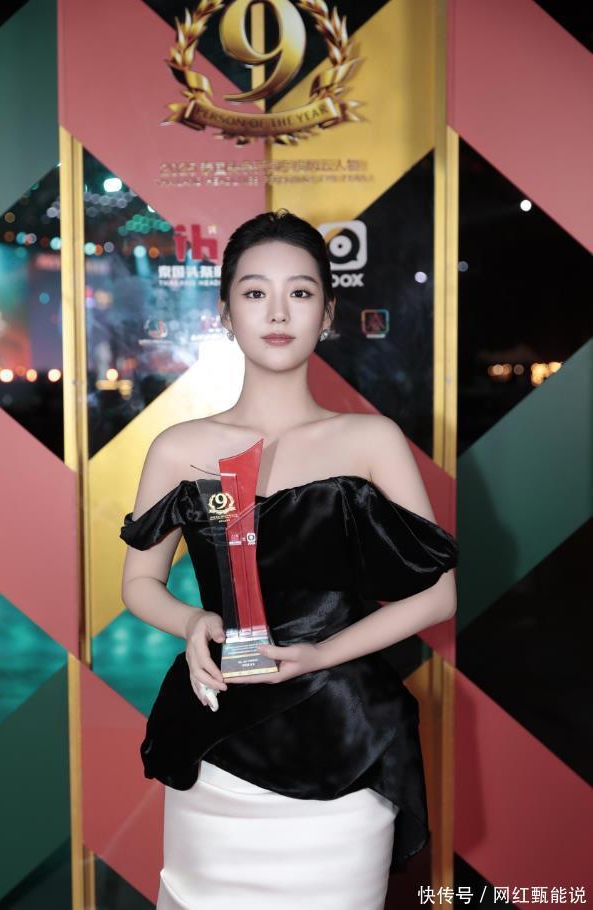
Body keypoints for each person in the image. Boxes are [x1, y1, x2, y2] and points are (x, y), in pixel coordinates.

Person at [120, 209, 458, 909]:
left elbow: (437, 595)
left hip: (343, 740)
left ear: (327, 313)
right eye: (254, 292)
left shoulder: (371, 440)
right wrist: (193, 622)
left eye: (300, 292)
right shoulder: (179, 448)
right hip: (217, 742)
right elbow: (140, 583)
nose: (277, 312)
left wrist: (320, 654)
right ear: (225, 313)